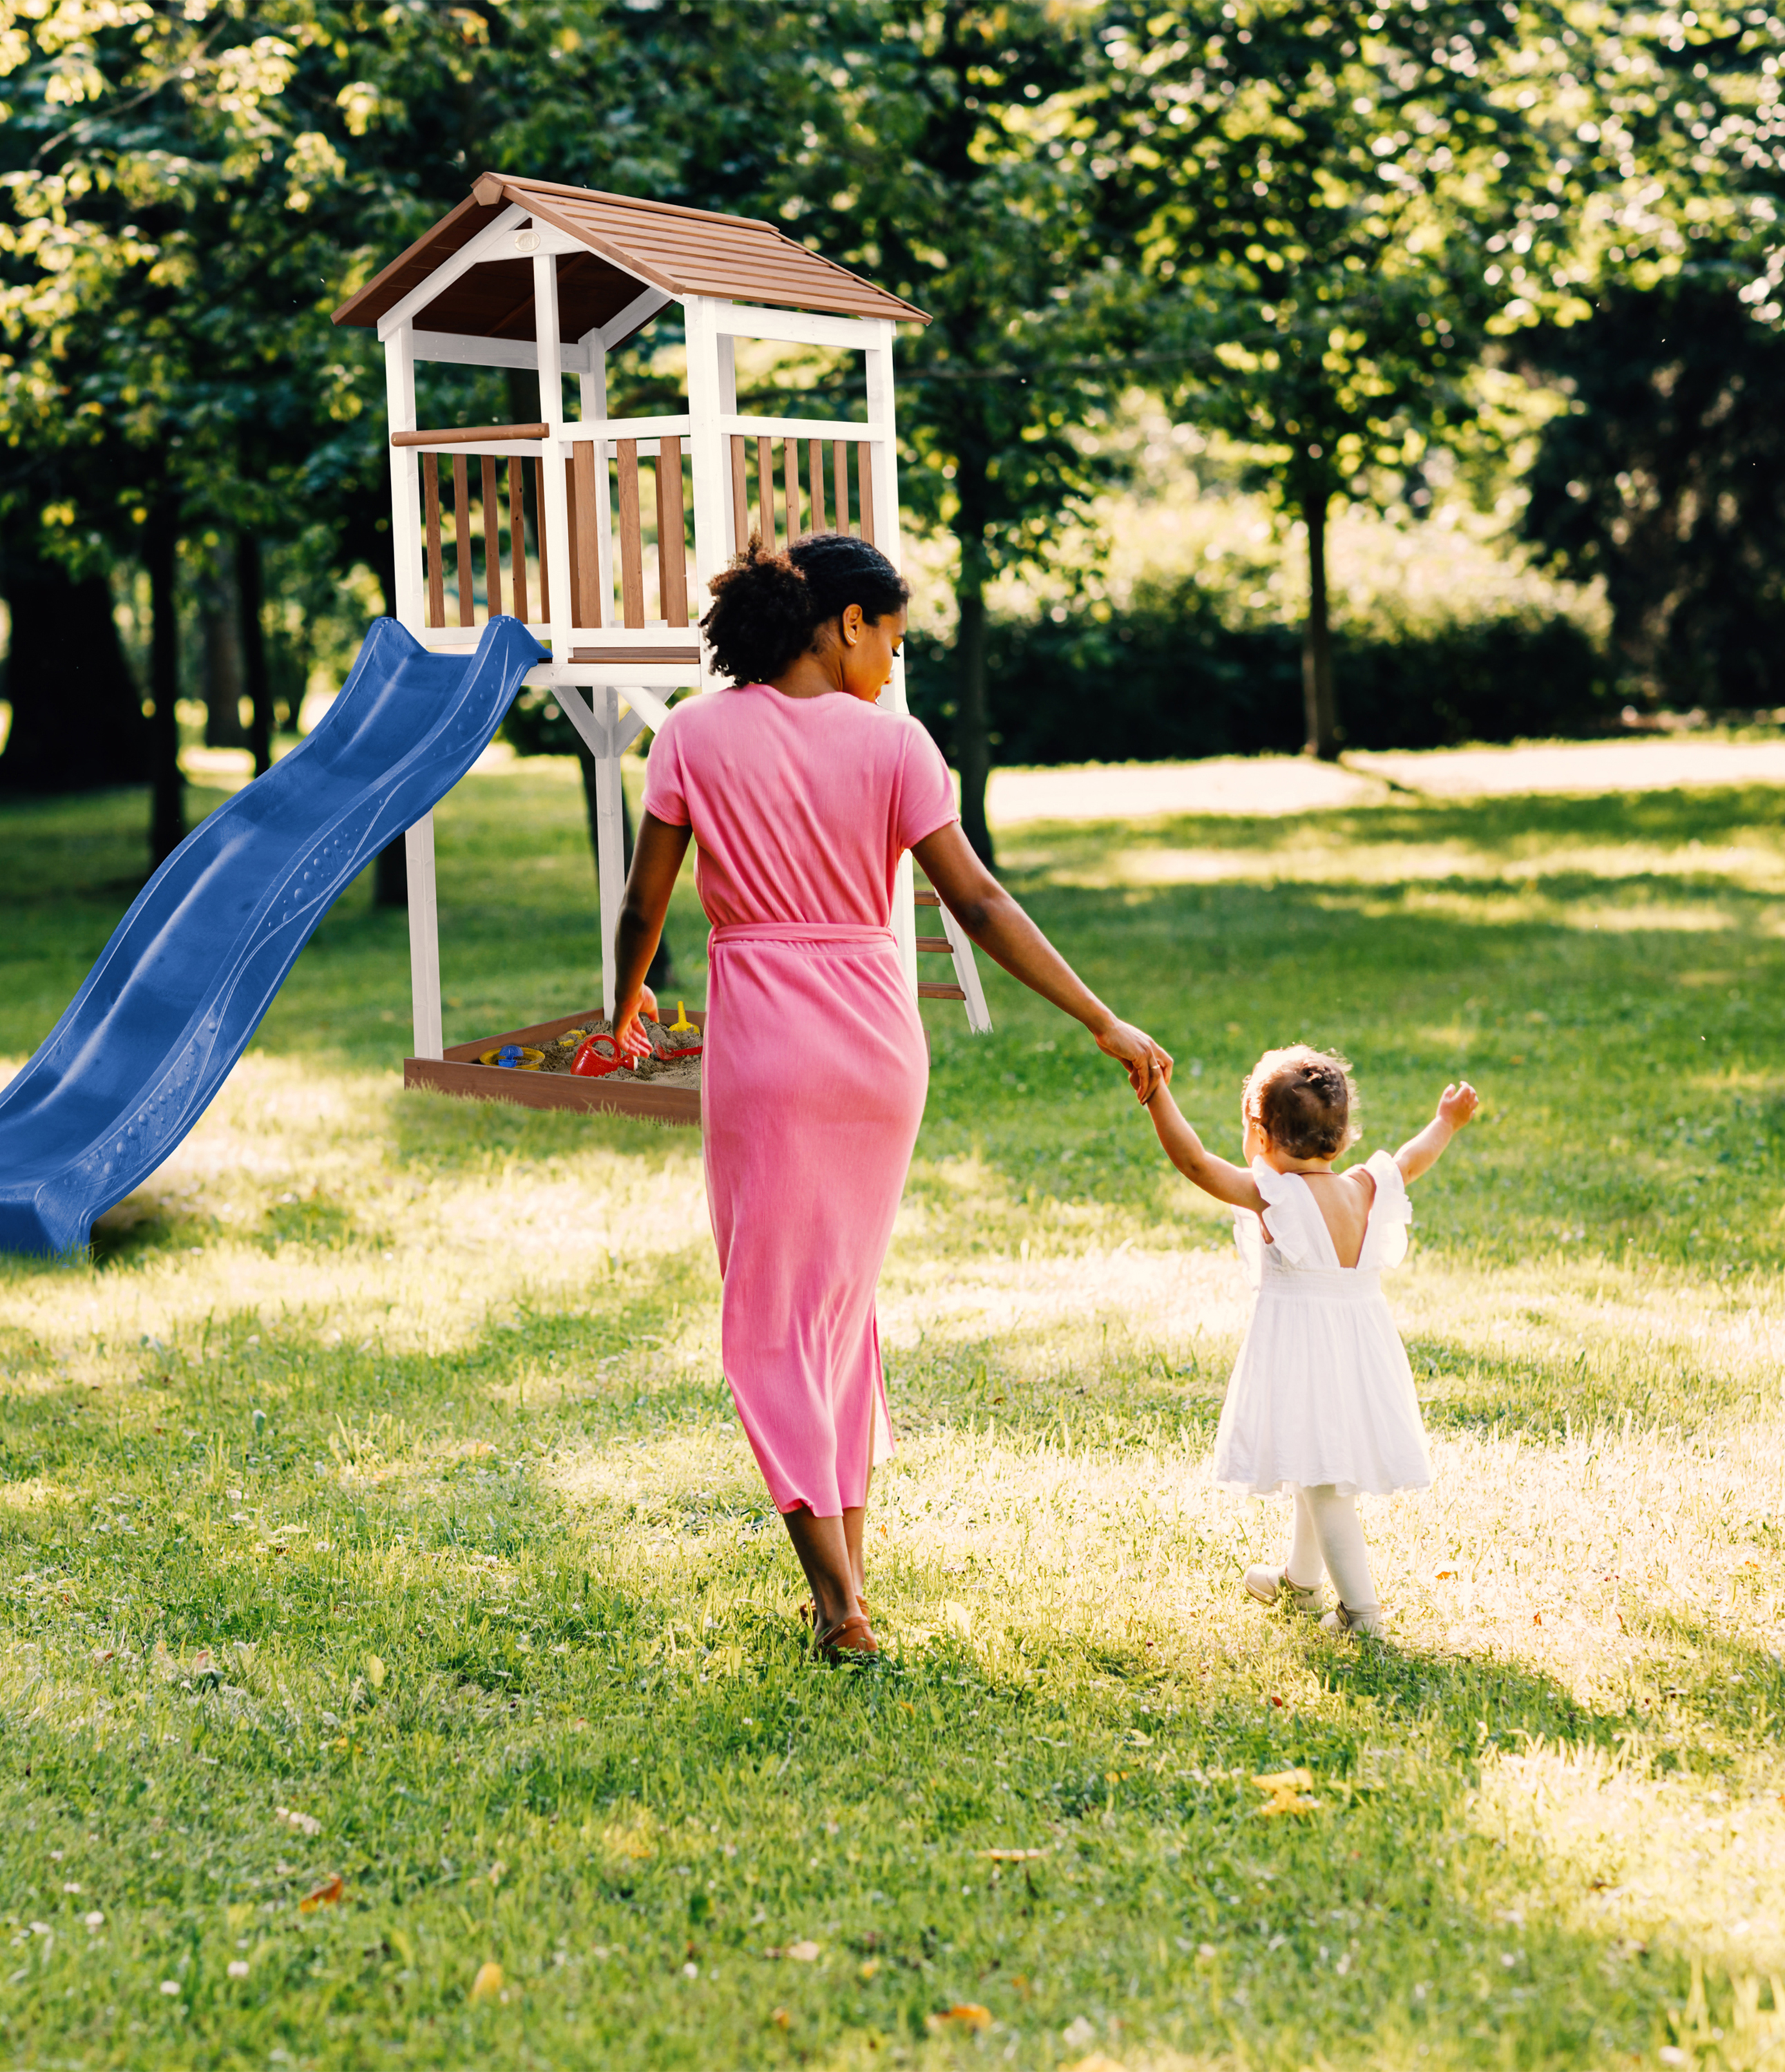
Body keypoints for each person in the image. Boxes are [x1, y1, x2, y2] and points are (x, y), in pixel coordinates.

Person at [607, 534, 1172, 1661]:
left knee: (771, 1320)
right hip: (876, 1047)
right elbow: (979, 903)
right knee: (836, 1311)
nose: (893, 665)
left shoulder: (691, 735)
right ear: (845, 623)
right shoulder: (897, 747)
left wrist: (620, 1008)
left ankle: (837, 1604)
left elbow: (644, 905)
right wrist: (1100, 1016)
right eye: (893, 640)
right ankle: (847, 1584)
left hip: (766, 1046)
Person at [1140, 1044, 1480, 1636]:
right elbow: (1412, 1157)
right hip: (1359, 1352)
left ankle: (1362, 1615)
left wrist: (1156, 1093)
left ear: (1261, 1136)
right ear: (1343, 1138)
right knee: (1311, 1461)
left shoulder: (1275, 1196)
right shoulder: (1366, 1186)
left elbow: (1194, 1162)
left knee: (1324, 1485)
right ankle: (1300, 1582)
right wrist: (1445, 1122)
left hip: (1305, 1355)